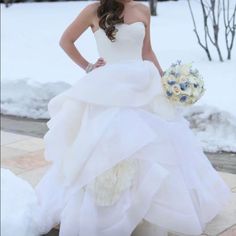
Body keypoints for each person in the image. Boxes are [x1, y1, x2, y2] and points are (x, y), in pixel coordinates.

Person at [33, 0, 231, 235]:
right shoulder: (93, 10)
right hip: (108, 88)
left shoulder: (142, 9)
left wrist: (166, 82)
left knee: (158, 146)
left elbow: (146, 51)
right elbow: (66, 41)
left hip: (143, 84)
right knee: (108, 145)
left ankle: (152, 209)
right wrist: (87, 67)